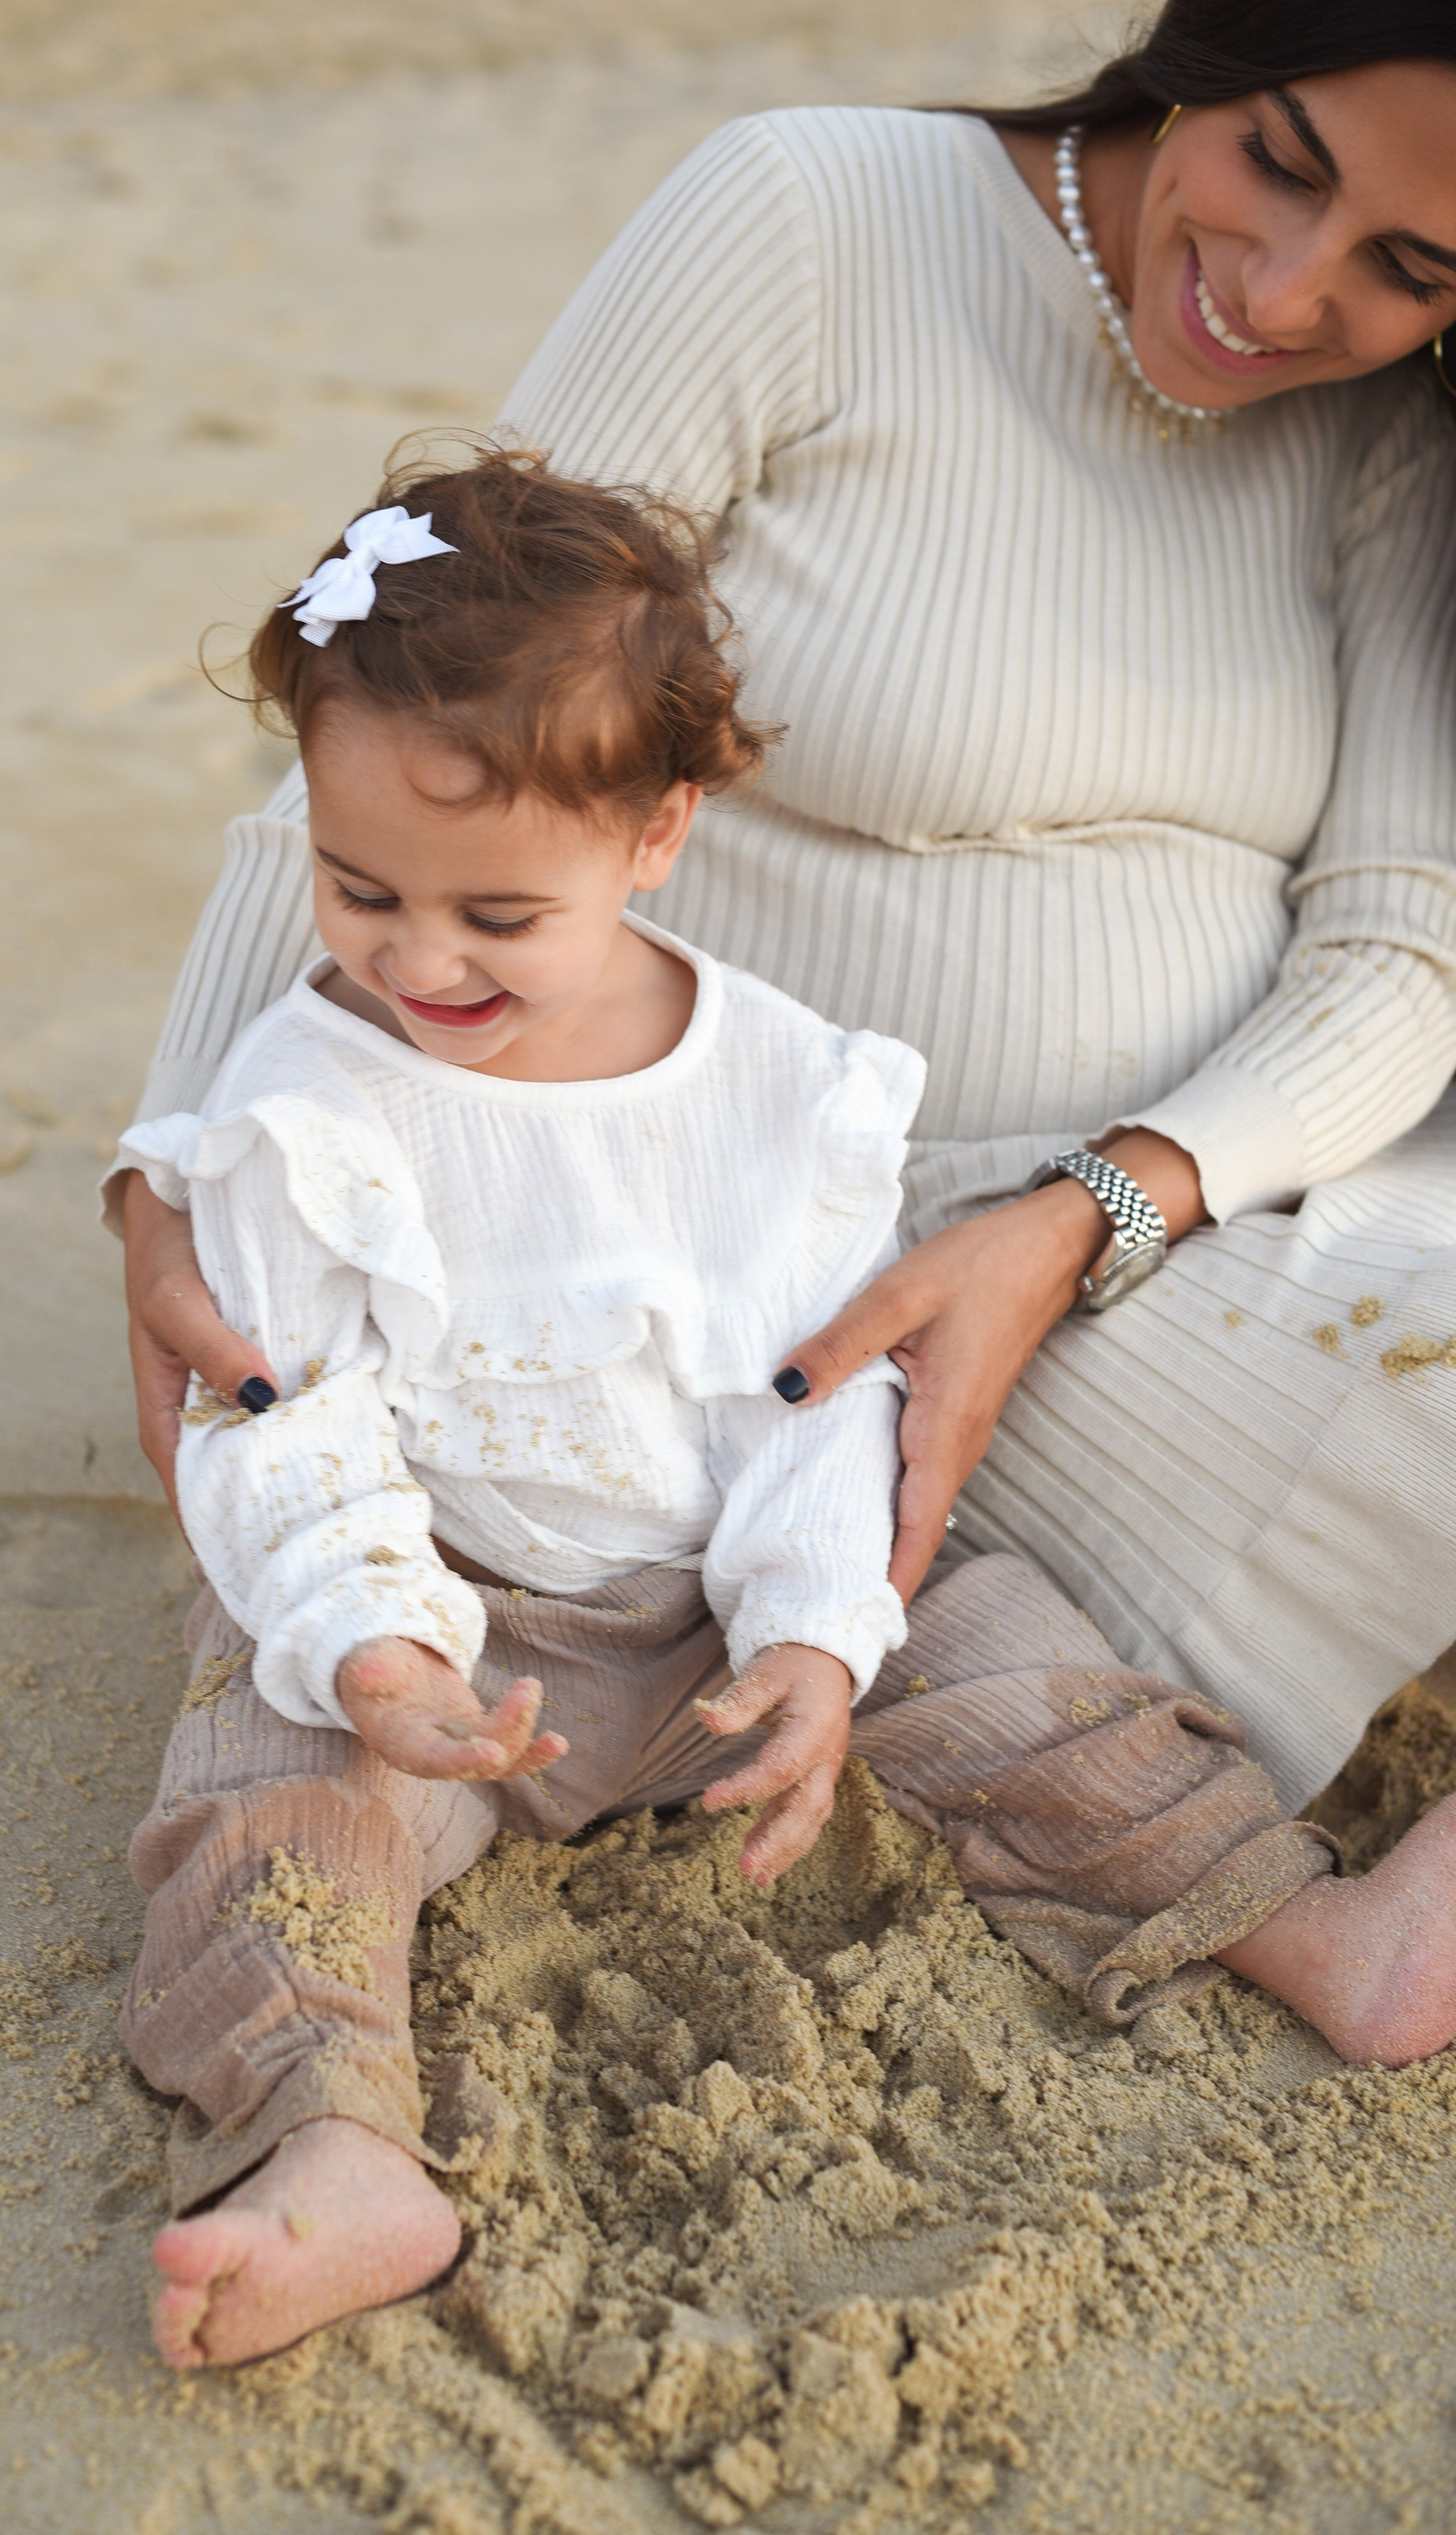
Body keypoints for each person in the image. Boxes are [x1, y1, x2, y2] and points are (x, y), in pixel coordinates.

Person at [110, 7, 1456, 2349]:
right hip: (537, 1444)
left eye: (1412, 267)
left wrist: (1058, 1263)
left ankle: (1316, 1927)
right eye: (1277, 158)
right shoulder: (814, 215)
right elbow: (429, 700)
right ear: (1210, 49)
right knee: (274, 1770)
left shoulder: (1390, 443)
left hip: (1035, 1266)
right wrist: (176, 1180)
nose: (1285, 287)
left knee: (997, 1667)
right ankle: (337, 2134)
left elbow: (1401, 948)